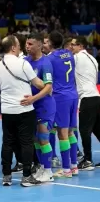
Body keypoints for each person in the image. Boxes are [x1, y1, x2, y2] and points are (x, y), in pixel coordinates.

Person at [0, 35, 44, 187]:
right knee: (26, 142)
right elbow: (39, 83)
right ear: (13, 48)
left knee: (8, 142)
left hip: (7, 110)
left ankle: (6, 176)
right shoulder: (23, 64)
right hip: (24, 108)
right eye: (18, 44)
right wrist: (48, 85)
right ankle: (27, 176)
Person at [24, 33, 56, 182]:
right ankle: (42, 167)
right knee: (36, 139)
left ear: (39, 45)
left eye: (30, 44)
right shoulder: (26, 61)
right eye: (26, 43)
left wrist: (33, 98)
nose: (27, 46)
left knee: (43, 137)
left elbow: (48, 87)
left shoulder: (45, 63)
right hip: (33, 106)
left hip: (44, 105)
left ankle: (48, 172)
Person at [47, 31, 79, 178]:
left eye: (47, 42)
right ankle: (74, 166)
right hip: (73, 95)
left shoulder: (50, 59)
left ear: (51, 43)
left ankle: (66, 169)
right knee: (71, 131)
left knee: (62, 133)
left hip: (61, 98)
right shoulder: (70, 54)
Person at [71, 36, 100, 170]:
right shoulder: (93, 58)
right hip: (96, 96)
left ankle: (87, 160)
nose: (71, 47)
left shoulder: (77, 58)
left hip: (87, 98)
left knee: (84, 130)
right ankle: (87, 158)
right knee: (97, 129)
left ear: (80, 46)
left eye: (73, 45)